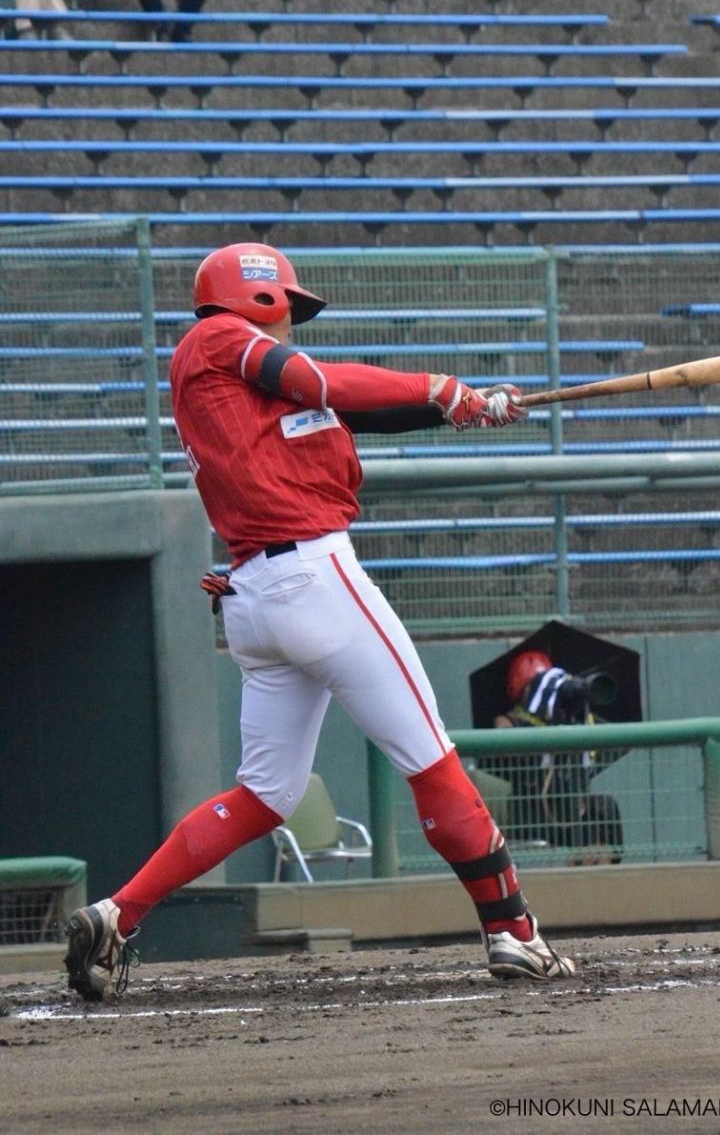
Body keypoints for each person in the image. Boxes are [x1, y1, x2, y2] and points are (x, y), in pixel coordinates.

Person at [63, 241, 576, 1001]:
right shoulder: (221, 338)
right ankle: (515, 933)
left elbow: (356, 407)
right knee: (432, 759)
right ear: (258, 297)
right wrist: (440, 386)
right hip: (314, 576)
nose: (291, 324)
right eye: (286, 307)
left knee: (265, 793)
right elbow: (323, 382)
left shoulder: (245, 389)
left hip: (258, 594)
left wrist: (466, 405)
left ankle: (117, 914)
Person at [491, 650, 624, 864]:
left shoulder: (573, 719)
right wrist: (539, 727)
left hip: (570, 804)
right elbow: (505, 740)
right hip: (531, 806)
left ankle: (600, 871)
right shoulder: (508, 720)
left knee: (605, 806)